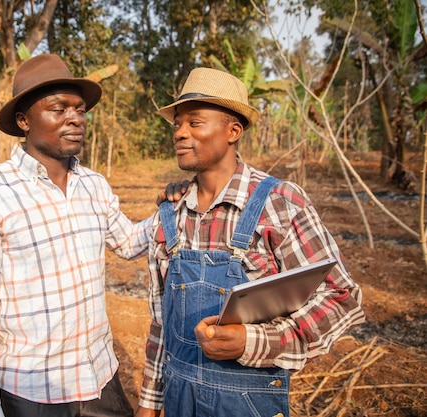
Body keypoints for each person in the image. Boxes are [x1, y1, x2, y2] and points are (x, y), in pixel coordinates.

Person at [136, 68, 365, 417]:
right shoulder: (170, 216)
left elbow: (340, 297)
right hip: (178, 396)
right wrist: (149, 402)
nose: (179, 133)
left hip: (247, 403)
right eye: (177, 124)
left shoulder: (280, 203)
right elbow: (160, 322)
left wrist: (254, 341)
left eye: (195, 123)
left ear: (233, 131)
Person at [0, 53, 154, 417]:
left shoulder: (93, 185)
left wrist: (175, 207)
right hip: (32, 394)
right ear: (23, 120)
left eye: (79, 109)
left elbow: (129, 241)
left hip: (99, 380)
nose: (75, 118)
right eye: (58, 109)